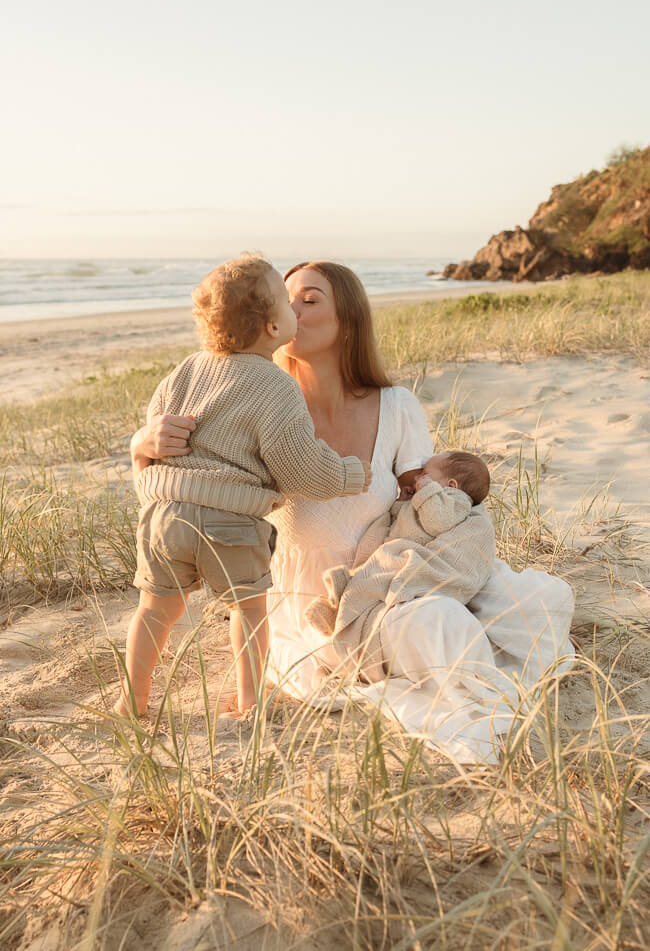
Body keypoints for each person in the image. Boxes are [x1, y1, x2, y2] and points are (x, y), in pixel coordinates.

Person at [131, 261, 574, 762]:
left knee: (537, 602)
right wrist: (141, 443)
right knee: (442, 630)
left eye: (310, 299)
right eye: (285, 297)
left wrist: (423, 575)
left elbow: (431, 507)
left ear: (349, 321)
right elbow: (174, 492)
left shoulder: (397, 405)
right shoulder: (247, 401)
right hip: (308, 602)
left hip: (393, 583)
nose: (290, 309)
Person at [116, 255, 370, 719]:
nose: (295, 307)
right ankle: (249, 700)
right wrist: (349, 474)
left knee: (155, 610)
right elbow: (300, 468)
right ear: (274, 328)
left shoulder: (186, 369)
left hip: (164, 514)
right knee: (248, 611)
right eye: (287, 302)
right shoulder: (276, 386)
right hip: (228, 518)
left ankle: (132, 698)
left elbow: (159, 427)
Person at [303, 451, 496, 684]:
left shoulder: (455, 502)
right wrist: (402, 504)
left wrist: (426, 490)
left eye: (425, 474)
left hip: (408, 559)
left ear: (451, 485)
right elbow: (404, 524)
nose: (418, 478)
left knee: (371, 583)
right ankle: (340, 611)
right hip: (392, 553)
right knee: (365, 579)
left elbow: (438, 521)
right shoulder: (430, 499)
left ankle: (342, 617)